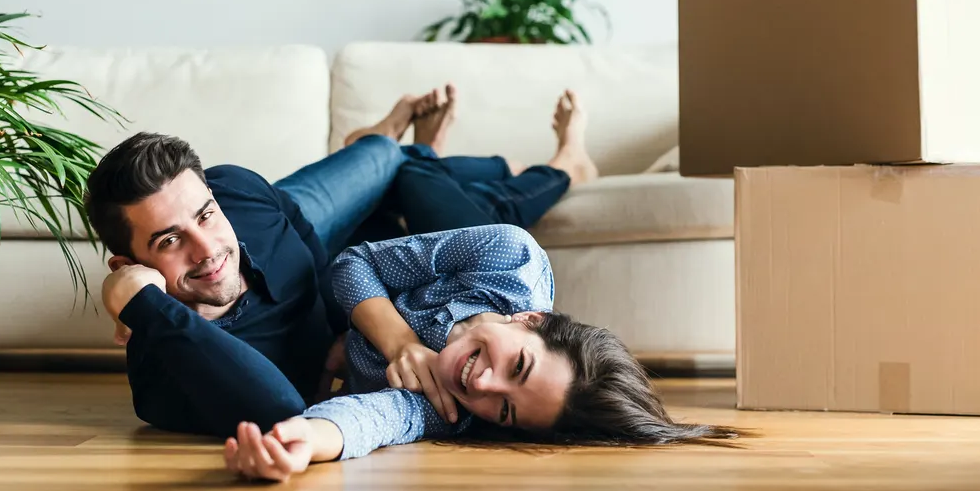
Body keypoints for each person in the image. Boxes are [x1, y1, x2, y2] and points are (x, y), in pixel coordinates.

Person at [86, 85, 598, 438]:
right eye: (170, 241)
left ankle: (395, 143)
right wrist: (139, 301)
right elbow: (279, 410)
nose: (206, 249)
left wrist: (348, 318)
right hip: (355, 262)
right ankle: (526, 164)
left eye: (205, 213)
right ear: (131, 264)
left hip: (294, 226)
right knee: (413, 179)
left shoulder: (236, 195)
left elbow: (310, 240)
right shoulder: (167, 372)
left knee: (388, 161)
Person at [221, 224, 739, 483]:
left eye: (507, 410)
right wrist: (399, 342)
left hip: (310, 328)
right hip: (353, 247)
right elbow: (354, 263)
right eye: (519, 366)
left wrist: (304, 440)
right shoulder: (509, 258)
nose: (485, 386)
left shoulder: (454, 411)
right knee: (364, 168)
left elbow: (375, 418)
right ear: (531, 319)